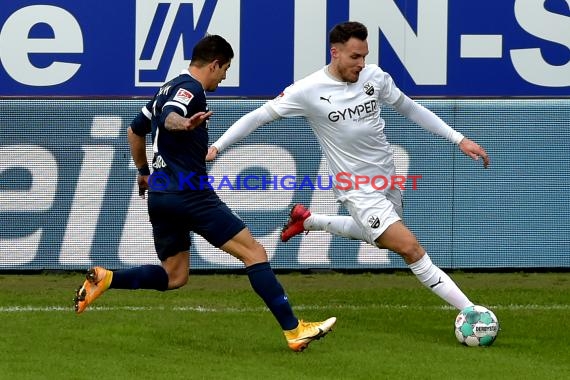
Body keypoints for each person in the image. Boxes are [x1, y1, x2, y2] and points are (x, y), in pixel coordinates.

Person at [73, 34, 336, 352]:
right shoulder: (190, 89)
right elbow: (171, 115)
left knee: (175, 275)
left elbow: (134, 131)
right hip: (189, 193)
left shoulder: (163, 89)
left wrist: (143, 172)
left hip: (160, 195)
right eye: (225, 69)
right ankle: (294, 331)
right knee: (255, 253)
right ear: (214, 64)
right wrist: (182, 124)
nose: (224, 77)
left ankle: (107, 278)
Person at [207, 22, 490, 312]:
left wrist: (458, 139)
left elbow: (410, 108)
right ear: (336, 53)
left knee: (382, 241)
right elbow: (257, 117)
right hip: (356, 189)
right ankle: (470, 310)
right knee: (409, 248)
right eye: (355, 56)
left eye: (364, 56)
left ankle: (310, 221)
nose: (361, 63)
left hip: (387, 181)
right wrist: (217, 146)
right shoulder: (308, 90)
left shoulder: (374, 78)